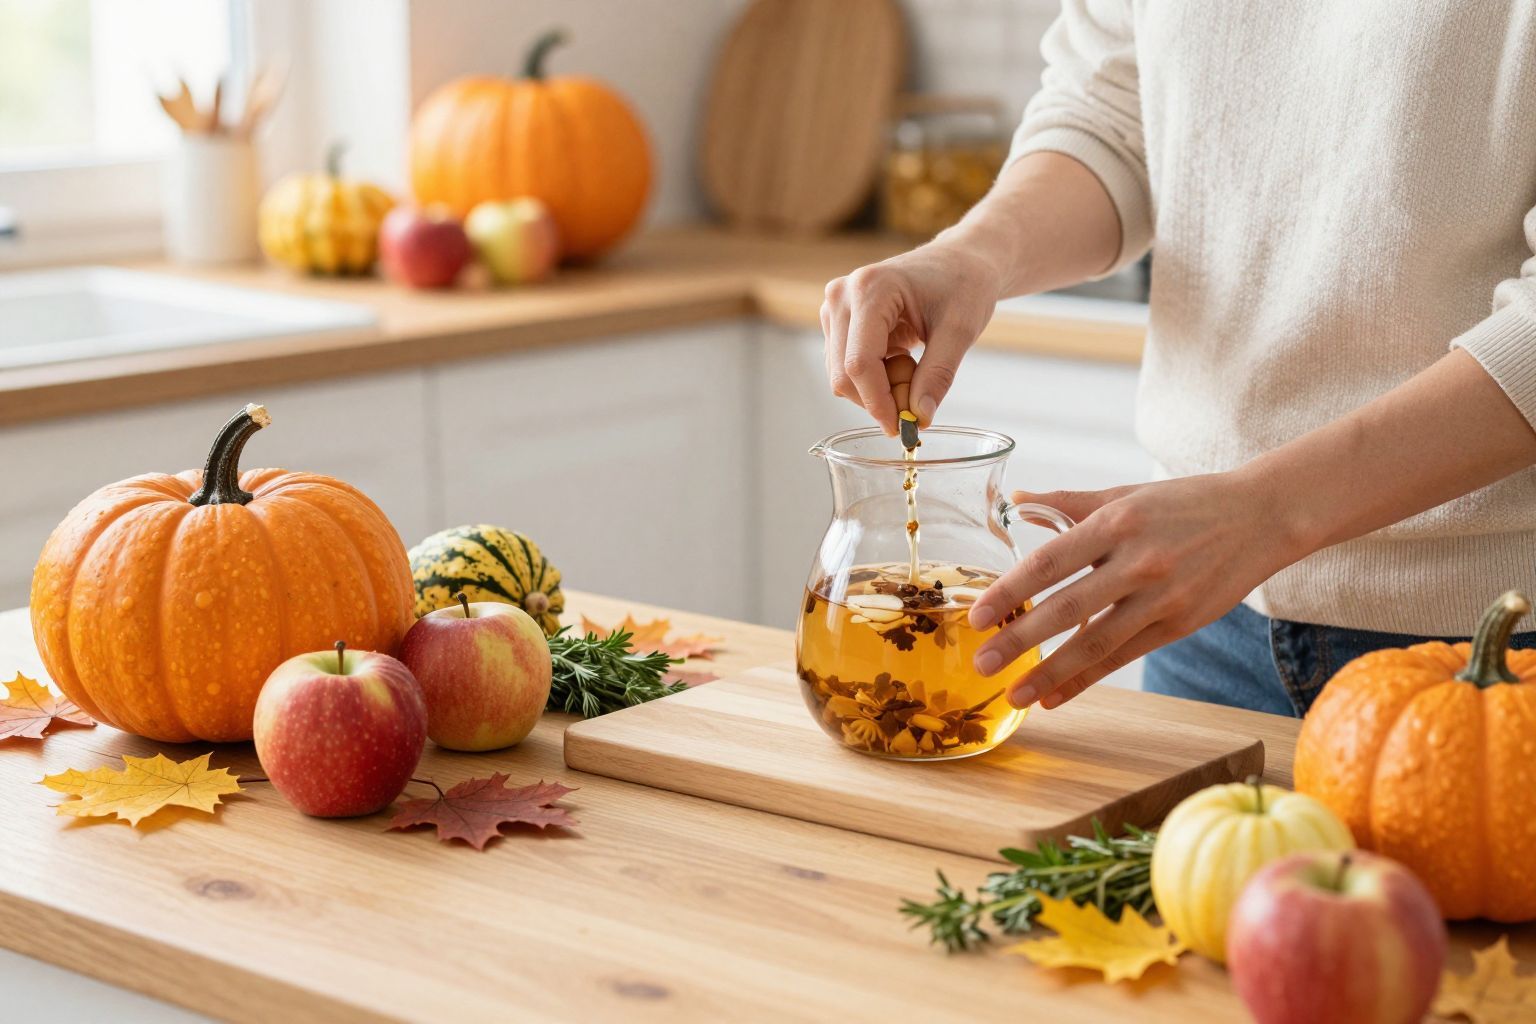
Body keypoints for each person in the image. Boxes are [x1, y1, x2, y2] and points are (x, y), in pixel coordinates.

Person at [820, 2, 1536, 717]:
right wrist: (973, 252)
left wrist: (1270, 512)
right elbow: (1114, 118)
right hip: (1198, 618)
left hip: (1493, 645)